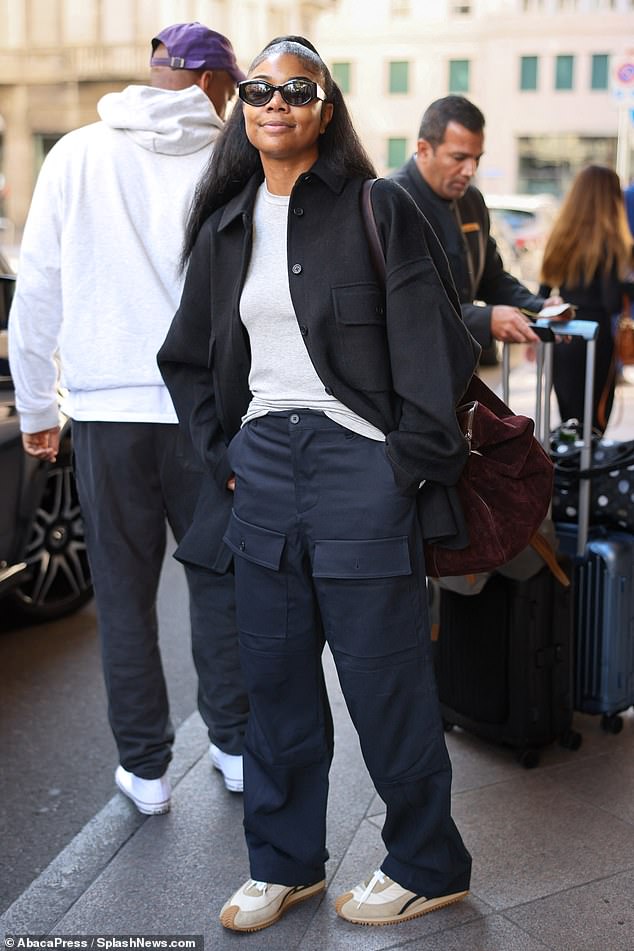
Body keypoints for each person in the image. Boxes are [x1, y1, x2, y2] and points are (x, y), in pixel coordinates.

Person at [158, 35, 479, 933]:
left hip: (361, 471)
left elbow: (436, 347)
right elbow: (185, 359)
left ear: (325, 108)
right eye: (260, 88)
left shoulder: (377, 206)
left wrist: (402, 465)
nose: (276, 102)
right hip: (261, 471)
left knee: (387, 683)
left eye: (298, 89)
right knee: (276, 684)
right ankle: (284, 862)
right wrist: (225, 454)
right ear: (242, 105)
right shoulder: (225, 225)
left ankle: (427, 861)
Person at [8, 22, 249, 814]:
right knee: (218, 579)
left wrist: (39, 403)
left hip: (108, 410)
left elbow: (38, 283)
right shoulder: (231, 159)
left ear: (155, 74)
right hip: (203, 411)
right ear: (216, 83)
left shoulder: (75, 152)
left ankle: (145, 769)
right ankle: (234, 742)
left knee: (122, 590)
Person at [392, 95, 565, 355]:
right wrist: (485, 319)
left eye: (477, 158)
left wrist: (541, 308)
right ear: (424, 149)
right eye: (459, 158)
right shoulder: (390, 200)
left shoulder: (472, 199)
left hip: (462, 368)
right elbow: (406, 304)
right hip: (410, 372)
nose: (470, 170)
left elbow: (491, 278)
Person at [539, 164, 634, 432]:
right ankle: (589, 474)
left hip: (563, 335)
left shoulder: (561, 236)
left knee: (570, 422)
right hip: (598, 337)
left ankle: (569, 472)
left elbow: (541, 295)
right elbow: (611, 302)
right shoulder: (615, 245)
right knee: (595, 424)